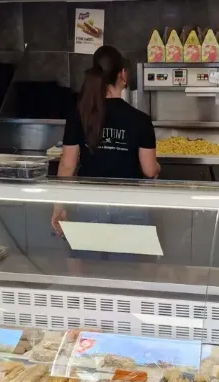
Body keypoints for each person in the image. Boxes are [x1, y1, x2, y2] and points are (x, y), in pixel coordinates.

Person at [52, 46, 160, 263]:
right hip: (130, 205)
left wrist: (58, 207)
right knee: (130, 273)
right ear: (123, 75)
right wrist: (158, 168)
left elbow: (67, 165)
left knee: (90, 271)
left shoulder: (78, 116)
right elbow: (149, 170)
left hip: (88, 203)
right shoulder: (140, 119)